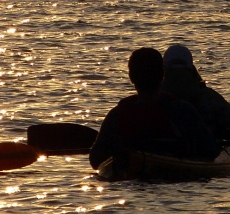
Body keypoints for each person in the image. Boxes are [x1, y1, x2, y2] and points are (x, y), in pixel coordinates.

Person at [89, 47, 222, 172]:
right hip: (175, 176)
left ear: (131, 77)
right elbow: (212, 151)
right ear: (162, 75)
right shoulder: (181, 110)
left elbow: (95, 160)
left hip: (129, 180)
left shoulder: (117, 114)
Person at [161, 44, 230, 139]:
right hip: (201, 152)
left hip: (164, 150)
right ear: (191, 68)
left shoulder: (152, 96)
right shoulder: (208, 97)